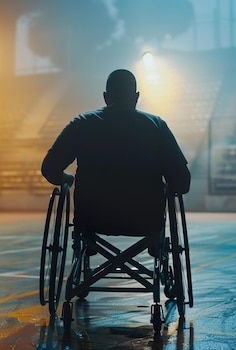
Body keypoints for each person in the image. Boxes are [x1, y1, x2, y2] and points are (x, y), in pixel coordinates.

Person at [41, 69, 191, 256]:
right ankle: (155, 239)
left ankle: (88, 243)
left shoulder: (82, 123)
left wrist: (67, 179)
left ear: (105, 97)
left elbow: (49, 168)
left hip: (92, 218)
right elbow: (183, 182)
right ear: (136, 97)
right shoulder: (157, 126)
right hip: (145, 218)